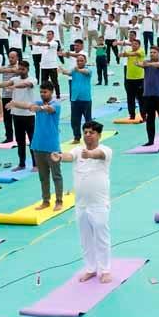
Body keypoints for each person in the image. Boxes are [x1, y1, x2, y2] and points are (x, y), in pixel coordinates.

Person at [51, 120, 113, 283]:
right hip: (81, 204)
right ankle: (91, 269)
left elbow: (98, 155)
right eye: (85, 132)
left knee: (102, 237)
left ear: (99, 135)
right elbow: (69, 156)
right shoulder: (78, 151)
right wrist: (59, 156)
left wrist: (90, 154)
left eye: (91, 132)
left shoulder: (105, 150)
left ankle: (105, 270)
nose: (87, 135)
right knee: (85, 239)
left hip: (99, 204)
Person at [7, 82, 65, 210]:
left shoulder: (56, 105)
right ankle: (46, 200)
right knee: (43, 177)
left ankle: (59, 201)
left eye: (45, 92)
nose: (43, 94)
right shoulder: (38, 103)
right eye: (41, 92)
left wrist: (39, 109)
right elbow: (27, 105)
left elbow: (49, 110)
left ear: (51, 92)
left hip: (52, 147)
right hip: (37, 146)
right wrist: (15, 103)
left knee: (56, 175)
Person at [137, 46, 159, 147]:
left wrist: (146, 64)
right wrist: (139, 63)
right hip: (148, 95)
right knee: (150, 119)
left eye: (154, 52)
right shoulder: (146, 63)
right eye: (151, 52)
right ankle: (150, 140)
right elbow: (140, 64)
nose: (152, 54)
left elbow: (158, 65)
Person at [60, 53, 93, 144]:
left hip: (86, 99)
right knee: (75, 120)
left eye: (81, 60)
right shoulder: (74, 71)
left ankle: (90, 137)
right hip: (75, 99)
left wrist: (78, 69)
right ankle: (77, 137)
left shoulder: (88, 70)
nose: (79, 62)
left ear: (85, 61)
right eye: (78, 61)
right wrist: (62, 70)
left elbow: (85, 72)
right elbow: (68, 72)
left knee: (88, 120)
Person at [118, 33, 145, 122]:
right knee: (130, 98)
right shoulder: (130, 52)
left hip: (139, 79)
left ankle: (143, 115)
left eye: (136, 44)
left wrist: (125, 54)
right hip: (129, 78)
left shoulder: (141, 51)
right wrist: (123, 54)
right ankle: (132, 115)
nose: (134, 46)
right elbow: (124, 54)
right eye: (132, 44)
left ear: (139, 45)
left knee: (141, 98)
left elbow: (134, 53)